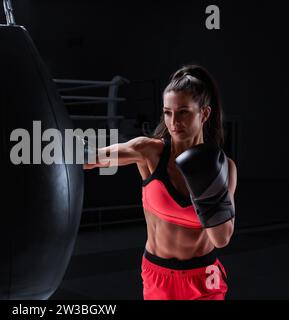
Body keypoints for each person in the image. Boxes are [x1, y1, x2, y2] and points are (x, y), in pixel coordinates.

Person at [85, 65, 237, 300]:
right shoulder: (149, 152)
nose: (174, 121)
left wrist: (207, 184)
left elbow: (221, 239)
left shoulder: (225, 168)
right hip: (158, 277)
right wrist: (40, 150)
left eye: (184, 111)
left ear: (204, 114)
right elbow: (94, 158)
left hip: (205, 278)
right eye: (168, 112)